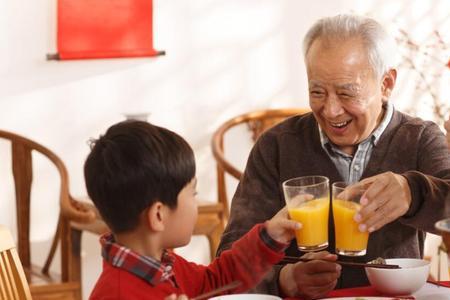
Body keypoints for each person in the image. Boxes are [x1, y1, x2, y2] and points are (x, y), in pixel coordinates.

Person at [218, 14, 450, 299]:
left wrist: (413, 192)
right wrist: (283, 280)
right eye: (317, 92)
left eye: (346, 93)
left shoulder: (420, 138)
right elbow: (229, 258)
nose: (330, 110)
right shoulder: (276, 146)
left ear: (386, 83)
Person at [84, 120, 302, 300]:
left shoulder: (166, 266)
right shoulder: (116, 294)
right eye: (193, 194)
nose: (196, 204)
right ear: (158, 215)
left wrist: (268, 237)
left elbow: (217, 281)